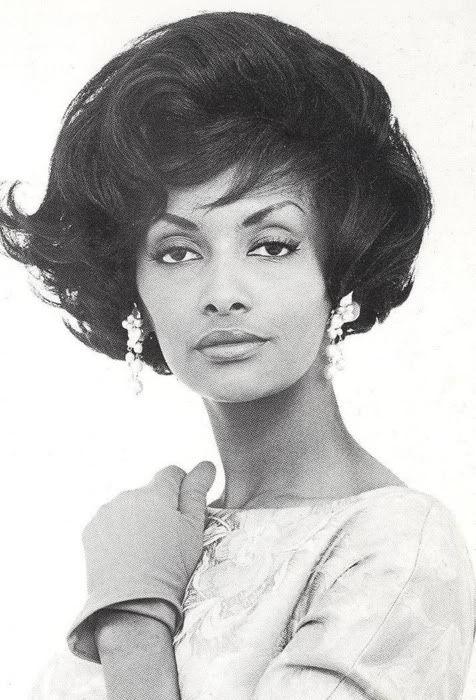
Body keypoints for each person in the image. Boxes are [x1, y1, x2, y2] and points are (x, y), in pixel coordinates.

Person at [2, 10, 475, 700]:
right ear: (132, 289)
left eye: (272, 245)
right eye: (177, 252)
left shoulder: (396, 546)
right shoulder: (163, 538)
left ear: (338, 270)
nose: (222, 293)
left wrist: (131, 625)